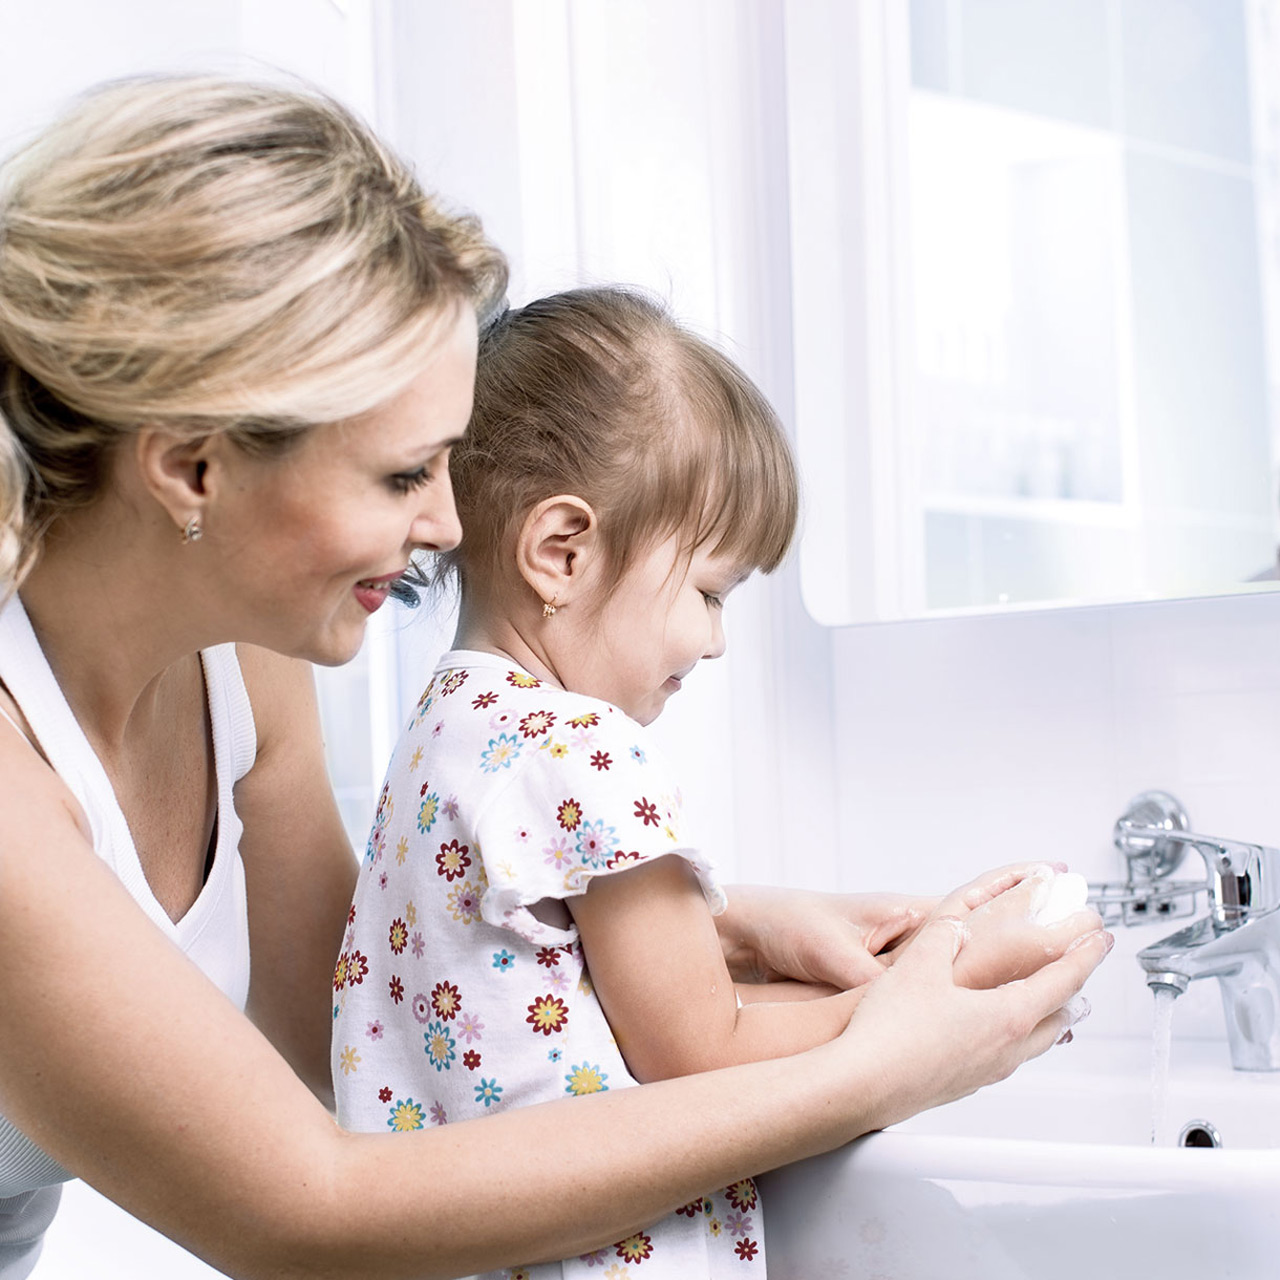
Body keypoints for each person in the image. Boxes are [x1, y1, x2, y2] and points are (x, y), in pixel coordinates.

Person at [0, 73, 1109, 1280]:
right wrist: (875, 1067)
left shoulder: (245, 655)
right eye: (402, 473)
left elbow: (359, 998)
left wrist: (691, 923)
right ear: (191, 467)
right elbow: (309, 1209)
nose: (443, 523)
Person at [330, 287, 1105, 1278]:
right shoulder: (583, 749)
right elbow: (697, 1048)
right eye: (707, 591)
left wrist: (765, 933)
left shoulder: (444, 727)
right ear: (560, 550)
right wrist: (931, 989)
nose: (715, 638)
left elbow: (575, 989)